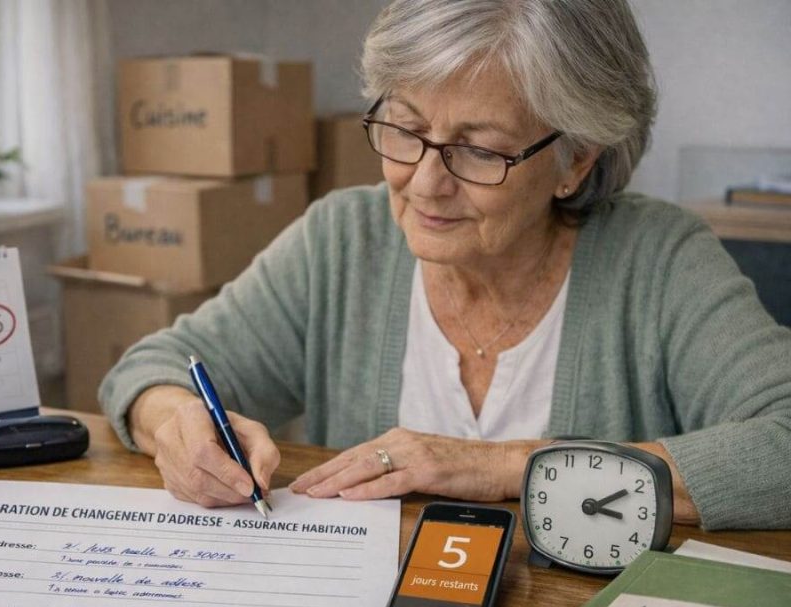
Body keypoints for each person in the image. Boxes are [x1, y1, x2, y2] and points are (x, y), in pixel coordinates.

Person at [101, 0, 791, 531]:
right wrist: (177, 424)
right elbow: (151, 369)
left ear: (575, 160)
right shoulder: (343, 240)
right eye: (405, 129)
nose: (425, 183)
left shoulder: (659, 260)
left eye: (479, 150)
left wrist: (501, 466)